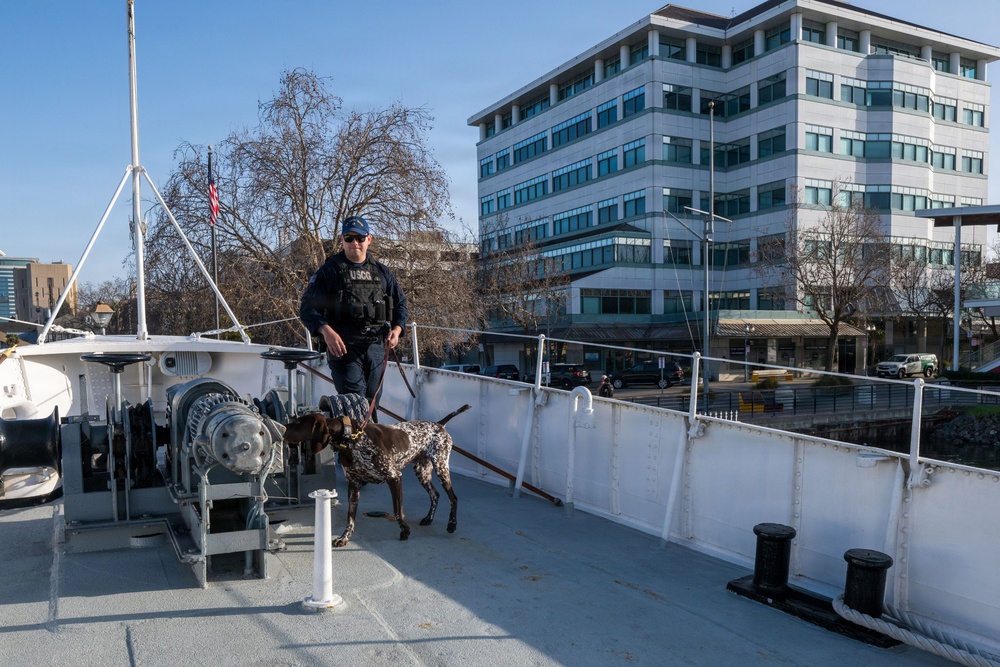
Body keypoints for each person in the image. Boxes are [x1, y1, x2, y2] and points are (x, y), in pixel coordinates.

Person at [299, 216, 408, 419]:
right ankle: (359, 439)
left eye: (359, 238)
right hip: (344, 348)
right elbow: (307, 308)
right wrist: (326, 331)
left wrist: (397, 330)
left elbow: (400, 304)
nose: (354, 243)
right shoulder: (330, 271)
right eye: (349, 238)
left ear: (369, 239)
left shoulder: (382, 272)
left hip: (376, 347)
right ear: (342, 240)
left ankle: (367, 439)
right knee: (356, 405)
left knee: (371, 404)